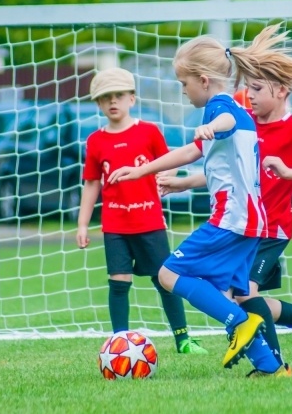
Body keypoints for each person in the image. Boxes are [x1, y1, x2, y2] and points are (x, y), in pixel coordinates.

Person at [158, 24, 292, 370]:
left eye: (257, 89)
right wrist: (186, 182)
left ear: (282, 90)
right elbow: (228, 172)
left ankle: (275, 366)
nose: (250, 95)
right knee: (237, 297)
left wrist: (289, 171)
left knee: (246, 296)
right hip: (243, 225)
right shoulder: (246, 123)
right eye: (248, 88)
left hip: (271, 229)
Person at [108, 29, 288, 377]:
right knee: (224, 293)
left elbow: (224, 121)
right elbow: (193, 153)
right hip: (250, 220)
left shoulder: (220, 108)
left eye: (184, 83)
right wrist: (146, 172)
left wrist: (211, 127)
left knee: (168, 274)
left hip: (231, 218)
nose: (183, 90)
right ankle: (271, 367)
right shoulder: (238, 111)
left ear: (203, 81)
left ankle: (239, 322)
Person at [76, 67, 207, 355]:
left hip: (149, 222)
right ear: (98, 103)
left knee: (164, 279)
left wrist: (166, 177)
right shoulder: (95, 140)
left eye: (119, 95)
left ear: (132, 99)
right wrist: (83, 224)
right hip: (115, 225)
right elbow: (92, 183)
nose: (113, 101)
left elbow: (171, 161)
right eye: (105, 97)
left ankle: (183, 339)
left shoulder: (148, 131)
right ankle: (119, 344)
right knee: (118, 281)